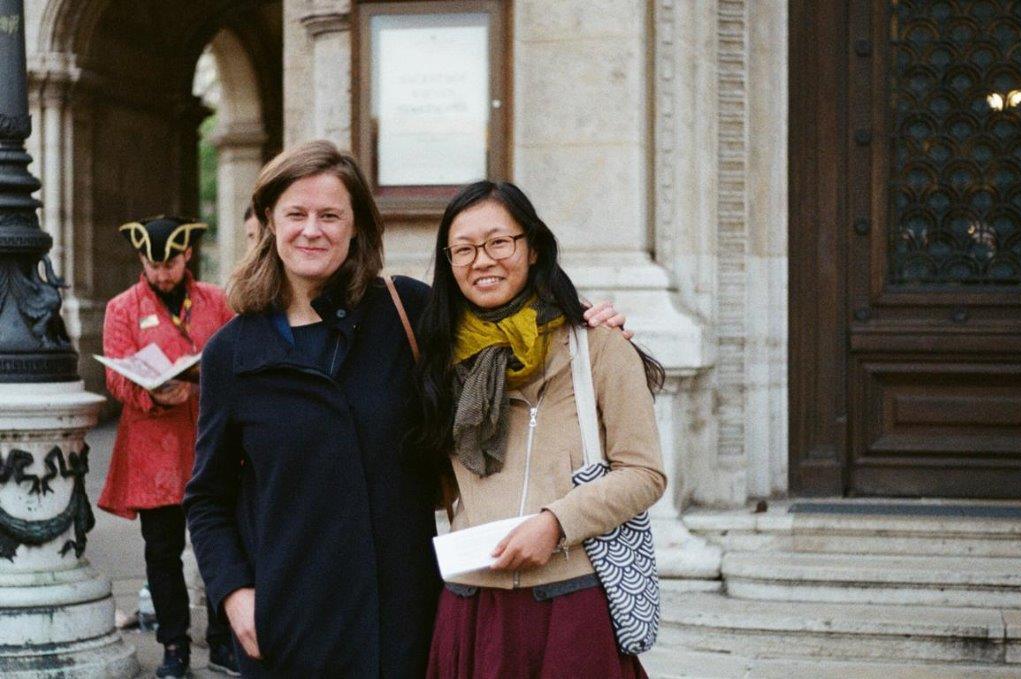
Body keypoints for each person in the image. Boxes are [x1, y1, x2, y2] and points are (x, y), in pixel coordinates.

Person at [184, 141, 630, 677]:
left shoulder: (405, 312)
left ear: (357, 227)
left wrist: (585, 321)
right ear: (269, 223)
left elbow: (510, 315)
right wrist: (234, 594)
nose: (312, 230)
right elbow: (208, 498)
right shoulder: (232, 353)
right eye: (295, 214)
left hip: (404, 619)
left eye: (330, 215)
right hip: (290, 622)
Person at [415, 181, 667, 678]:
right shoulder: (439, 359)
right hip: (472, 607)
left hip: (571, 606)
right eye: (463, 249)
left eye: (498, 242)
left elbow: (644, 472)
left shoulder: (597, 346)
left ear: (532, 248)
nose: (481, 260)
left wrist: (555, 523)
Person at [98, 216, 239, 678]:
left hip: (210, 443)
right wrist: (151, 393)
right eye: (153, 265)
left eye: (170, 263)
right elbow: (116, 374)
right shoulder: (122, 307)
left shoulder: (217, 301)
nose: (162, 274)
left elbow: (238, 358)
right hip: (153, 451)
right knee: (162, 552)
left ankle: (222, 640)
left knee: (220, 545)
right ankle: (174, 645)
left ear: (187, 256)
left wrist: (203, 377)